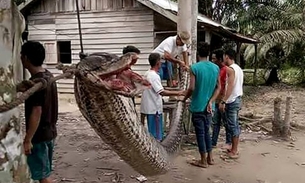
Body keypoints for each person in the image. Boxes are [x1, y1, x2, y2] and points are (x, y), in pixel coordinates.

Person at [21, 41, 58, 183]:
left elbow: (37, 111)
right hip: (50, 132)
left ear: (25, 58)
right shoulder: (49, 76)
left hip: (40, 136)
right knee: (45, 172)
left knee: (43, 177)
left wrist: (28, 139)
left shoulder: (37, 83)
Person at [181, 42, 221, 168]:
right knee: (207, 132)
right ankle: (210, 157)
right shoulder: (215, 68)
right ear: (209, 54)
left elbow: (191, 88)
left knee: (200, 133)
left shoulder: (195, 68)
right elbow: (218, 87)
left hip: (198, 105)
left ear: (198, 54)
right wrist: (211, 100)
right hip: (209, 106)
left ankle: (203, 160)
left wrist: (184, 98)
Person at [140, 53, 185, 141]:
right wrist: (178, 93)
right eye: (160, 62)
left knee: (152, 132)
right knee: (156, 135)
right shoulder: (154, 76)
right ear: (158, 63)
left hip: (149, 107)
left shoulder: (147, 73)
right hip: (154, 109)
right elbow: (162, 92)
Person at [219, 48, 244, 159]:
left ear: (227, 57)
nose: (223, 58)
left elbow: (230, 86)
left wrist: (223, 100)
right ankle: (232, 147)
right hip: (237, 98)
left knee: (233, 125)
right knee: (232, 124)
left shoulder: (230, 69)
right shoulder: (238, 68)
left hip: (232, 100)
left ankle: (234, 150)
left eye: (224, 56)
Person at [211, 49, 232, 149]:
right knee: (216, 122)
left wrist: (223, 100)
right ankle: (213, 142)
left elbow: (227, 86)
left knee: (225, 122)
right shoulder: (215, 69)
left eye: (214, 58)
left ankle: (228, 142)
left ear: (219, 59)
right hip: (216, 98)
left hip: (223, 99)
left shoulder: (226, 70)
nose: (212, 60)